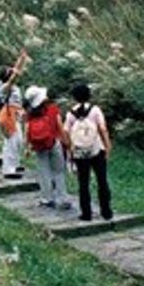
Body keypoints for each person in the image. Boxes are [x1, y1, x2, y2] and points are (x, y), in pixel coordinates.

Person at [64, 83, 113, 221]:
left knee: (83, 182)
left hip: (80, 151)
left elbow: (66, 131)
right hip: (96, 149)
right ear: (89, 95)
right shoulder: (95, 110)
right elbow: (103, 129)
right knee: (102, 180)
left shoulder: (70, 113)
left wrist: (70, 148)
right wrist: (107, 145)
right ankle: (106, 211)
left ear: (74, 97)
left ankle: (86, 213)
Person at [23, 86, 71, 209]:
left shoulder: (30, 114)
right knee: (59, 171)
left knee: (43, 172)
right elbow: (60, 126)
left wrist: (27, 147)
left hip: (39, 146)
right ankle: (62, 198)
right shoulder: (53, 109)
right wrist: (66, 142)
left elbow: (27, 130)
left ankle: (47, 198)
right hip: (54, 143)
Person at [0, 49, 30, 179]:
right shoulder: (4, 87)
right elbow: (15, 76)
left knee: (18, 141)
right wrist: (20, 66)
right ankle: (8, 169)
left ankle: (14, 164)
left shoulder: (10, 85)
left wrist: (22, 60)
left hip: (15, 115)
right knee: (11, 141)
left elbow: (15, 71)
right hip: (8, 115)